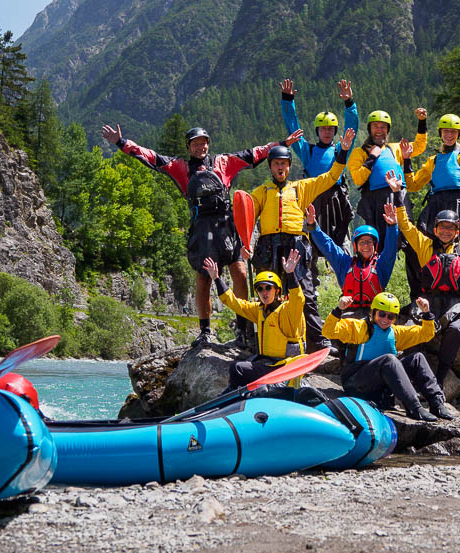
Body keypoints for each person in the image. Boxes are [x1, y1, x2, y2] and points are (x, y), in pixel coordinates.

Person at [101, 123, 301, 348]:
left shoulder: (223, 162)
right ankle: (205, 331)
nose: (201, 147)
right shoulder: (180, 166)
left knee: (240, 271)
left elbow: (255, 153)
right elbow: (151, 157)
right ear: (189, 147)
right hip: (202, 227)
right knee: (204, 278)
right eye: (196, 143)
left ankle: (243, 329)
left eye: (204, 142)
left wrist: (282, 145)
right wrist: (121, 142)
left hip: (227, 224)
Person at [386, 166, 460, 391]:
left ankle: (439, 377)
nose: (446, 231)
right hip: (427, 300)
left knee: (456, 329)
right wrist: (398, 194)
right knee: (411, 329)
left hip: (455, 302)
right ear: (435, 228)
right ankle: (413, 375)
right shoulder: (424, 245)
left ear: (457, 231)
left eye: (450, 228)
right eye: (442, 227)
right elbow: (406, 226)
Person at [249, 129, 356, 352]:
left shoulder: (301, 187)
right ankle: (268, 340)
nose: (280, 167)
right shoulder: (261, 192)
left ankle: (318, 340)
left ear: (290, 167)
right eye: (276, 163)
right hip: (268, 247)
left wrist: (343, 152)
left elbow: (330, 177)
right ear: (270, 167)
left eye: (284, 163)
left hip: (295, 246)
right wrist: (243, 242)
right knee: (268, 293)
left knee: (304, 293)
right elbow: (246, 216)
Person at [404, 113, 460, 300]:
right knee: (421, 250)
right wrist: (406, 160)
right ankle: (423, 292)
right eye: (446, 131)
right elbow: (413, 184)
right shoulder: (433, 160)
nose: (449, 135)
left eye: (453, 132)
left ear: (458, 134)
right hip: (437, 206)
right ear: (440, 133)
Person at [323, 292, 452, 422]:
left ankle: (437, 404)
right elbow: (328, 331)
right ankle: (414, 407)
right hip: (355, 384)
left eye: (390, 316)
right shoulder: (358, 328)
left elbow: (426, 334)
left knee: (417, 358)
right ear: (373, 312)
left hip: (379, 386)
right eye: (382, 314)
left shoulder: (395, 333)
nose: (385, 319)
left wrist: (426, 312)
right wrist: (339, 309)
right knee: (389, 359)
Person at [280, 78, 358, 286]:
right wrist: (288, 101)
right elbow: (292, 127)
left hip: (337, 203)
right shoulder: (308, 151)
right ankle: (307, 293)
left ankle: (351, 287)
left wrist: (349, 102)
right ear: (317, 131)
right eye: (323, 129)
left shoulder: (341, 149)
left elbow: (352, 127)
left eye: (330, 129)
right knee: (308, 249)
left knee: (343, 247)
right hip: (312, 203)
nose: (326, 131)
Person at [204, 250, 305, 392]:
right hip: (268, 361)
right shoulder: (259, 309)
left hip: (285, 364)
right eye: (260, 289)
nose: (264, 292)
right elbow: (234, 303)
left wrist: (290, 273)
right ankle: (237, 393)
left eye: (268, 288)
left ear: (277, 291)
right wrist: (216, 279)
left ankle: (234, 395)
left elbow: (298, 299)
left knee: (237, 368)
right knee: (244, 366)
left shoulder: (289, 310)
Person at [347, 108, 428, 251]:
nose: (379, 130)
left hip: (399, 195)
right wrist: (371, 158)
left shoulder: (395, 148)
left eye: (383, 127)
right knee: (381, 242)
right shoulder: (359, 152)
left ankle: (415, 270)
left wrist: (422, 122)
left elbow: (419, 146)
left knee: (409, 239)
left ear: (388, 130)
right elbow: (358, 179)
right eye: (375, 127)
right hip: (376, 200)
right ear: (369, 129)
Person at [305, 203, 398, 318]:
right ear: (356, 246)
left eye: (369, 242)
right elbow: (328, 246)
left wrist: (392, 226)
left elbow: (391, 248)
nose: (366, 246)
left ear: (375, 245)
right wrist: (313, 227)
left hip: (374, 317)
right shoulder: (344, 263)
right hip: (349, 315)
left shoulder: (381, 265)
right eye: (362, 242)